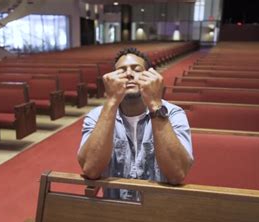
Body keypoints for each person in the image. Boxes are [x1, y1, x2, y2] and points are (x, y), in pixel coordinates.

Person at [77, 47, 193, 200]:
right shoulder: (97, 116)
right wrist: (112, 101)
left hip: (160, 210)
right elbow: (91, 170)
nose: (129, 74)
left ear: (151, 76)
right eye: (121, 71)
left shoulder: (173, 113)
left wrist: (155, 104)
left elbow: (177, 174)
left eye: (137, 69)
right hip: (114, 209)